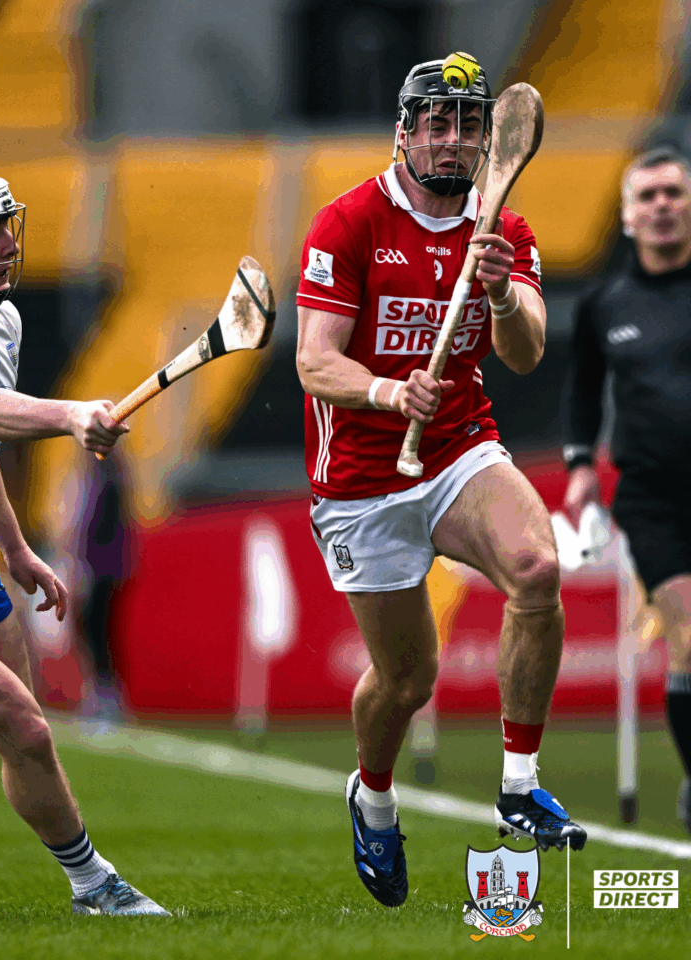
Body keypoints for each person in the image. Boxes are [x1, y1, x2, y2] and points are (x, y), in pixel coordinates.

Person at [296, 58, 587, 909]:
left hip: (458, 445)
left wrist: (500, 295)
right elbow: (315, 363)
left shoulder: (503, 231)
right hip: (360, 478)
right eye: (438, 123)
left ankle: (519, 783)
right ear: (405, 131)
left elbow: (525, 353)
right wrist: (388, 390)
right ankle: (374, 799)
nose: (454, 141)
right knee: (406, 682)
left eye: (468, 125)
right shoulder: (347, 222)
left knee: (537, 570)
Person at [0, 170, 169, 915]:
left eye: (6, 227)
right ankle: (96, 885)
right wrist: (68, 416)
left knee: (26, 737)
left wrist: (17, 548)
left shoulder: (2, 323)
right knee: (24, 722)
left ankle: (89, 885)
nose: (6, 245)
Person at [561, 145, 691, 835]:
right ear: (627, 216)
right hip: (653, 497)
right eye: (647, 197)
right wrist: (580, 464)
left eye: (673, 192)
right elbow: (583, 391)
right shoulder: (604, 305)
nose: (662, 205)